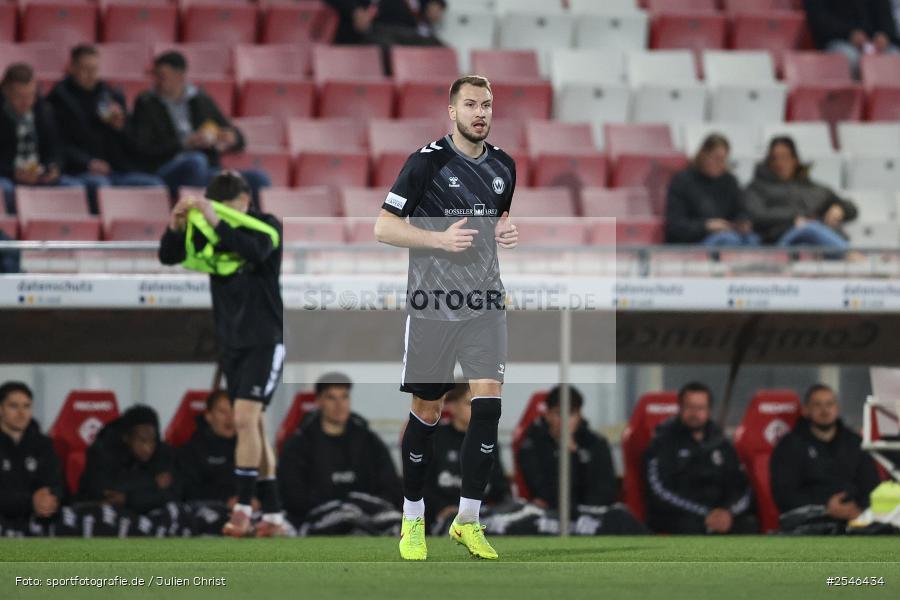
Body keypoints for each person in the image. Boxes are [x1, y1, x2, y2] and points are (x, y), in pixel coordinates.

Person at [374, 74, 518, 560]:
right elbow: (383, 227)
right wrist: (437, 239)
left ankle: (468, 519)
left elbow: (492, 218)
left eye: (488, 105)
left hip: (484, 305)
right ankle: (412, 519)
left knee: (489, 405)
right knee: (428, 412)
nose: (481, 112)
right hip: (433, 306)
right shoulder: (426, 163)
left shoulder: (504, 166)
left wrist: (504, 228)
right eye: (472, 104)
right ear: (452, 112)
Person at [159, 171, 285, 538]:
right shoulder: (208, 228)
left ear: (245, 204)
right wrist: (175, 226)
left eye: (230, 211)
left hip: (265, 338)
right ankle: (275, 514)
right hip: (231, 341)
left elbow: (253, 250)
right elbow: (170, 257)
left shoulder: (266, 225)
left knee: (244, 419)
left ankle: (244, 508)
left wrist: (214, 218)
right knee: (255, 425)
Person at [132, 51, 270, 199]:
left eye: (163, 76)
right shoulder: (146, 103)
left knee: (258, 178)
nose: (157, 81)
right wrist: (185, 143)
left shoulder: (201, 100)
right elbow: (143, 148)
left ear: (180, 75)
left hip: (207, 172)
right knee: (195, 161)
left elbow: (236, 136)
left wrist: (230, 138)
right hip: (168, 168)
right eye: (156, 76)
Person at [278, 373, 402, 535]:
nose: (339, 405)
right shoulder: (299, 444)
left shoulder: (368, 440)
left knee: (397, 522)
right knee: (343, 518)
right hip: (317, 518)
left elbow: (390, 484)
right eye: (331, 398)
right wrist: (338, 506)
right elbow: (292, 495)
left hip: (367, 514)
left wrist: (358, 504)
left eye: (344, 397)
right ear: (319, 401)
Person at [47, 45, 163, 212]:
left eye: (94, 69)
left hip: (116, 170)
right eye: (84, 69)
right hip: (78, 171)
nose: (90, 75)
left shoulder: (110, 95)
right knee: (100, 185)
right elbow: (56, 144)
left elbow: (134, 144)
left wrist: (121, 127)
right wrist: (87, 163)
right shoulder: (58, 100)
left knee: (154, 186)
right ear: (71, 68)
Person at [643, 382, 758, 535]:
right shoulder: (663, 441)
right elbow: (658, 491)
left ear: (709, 411)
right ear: (680, 408)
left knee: (748, 525)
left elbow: (742, 486)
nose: (694, 413)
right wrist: (705, 513)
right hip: (679, 516)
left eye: (700, 408)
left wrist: (727, 513)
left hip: (721, 514)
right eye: (689, 407)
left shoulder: (722, 442)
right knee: (689, 527)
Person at [770, 384, 881, 534]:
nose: (824, 410)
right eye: (817, 405)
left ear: (837, 408)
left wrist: (858, 508)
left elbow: (872, 485)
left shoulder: (855, 443)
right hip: (807, 523)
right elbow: (784, 494)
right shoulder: (790, 446)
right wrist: (826, 507)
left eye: (829, 404)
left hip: (856, 520)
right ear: (806, 410)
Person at [77, 405, 187, 536]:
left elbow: (172, 494)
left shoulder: (164, 453)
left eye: (152, 441)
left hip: (147, 515)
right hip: (104, 514)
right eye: (142, 441)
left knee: (177, 512)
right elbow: (106, 490)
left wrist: (129, 499)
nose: (148, 448)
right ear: (126, 438)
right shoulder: (103, 450)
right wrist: (152, 482)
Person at [422, 381, 510, 532]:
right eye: (470, 403)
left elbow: (500, 487)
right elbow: (423, 485)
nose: (477, 409)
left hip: (486, 514)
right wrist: (440, 508)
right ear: (452, 406)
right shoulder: (436, 438)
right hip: (444, 516)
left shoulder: (489, 439)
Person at [745, 136, 857, 250]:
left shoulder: (813, 188)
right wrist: (793, 219)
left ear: (795, 160)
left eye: (784, 157)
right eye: (774, 158)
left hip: (816, 246)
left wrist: (841, 209)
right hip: (777, 243)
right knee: (808, 229)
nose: (779, 163)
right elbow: (757, 216)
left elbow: (852, 209)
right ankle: (854, 257)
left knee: (812, 230)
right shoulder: (756, 188)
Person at [0, 63, 83, 214]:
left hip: (39, 174)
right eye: (19, 96)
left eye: (30, 95)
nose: (26, 102)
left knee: (74, 187)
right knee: (4, 189)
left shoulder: (44, 111)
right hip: (7, 176)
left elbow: (56, 147)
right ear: (6, 92)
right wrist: (13, 172)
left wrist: (53, 167)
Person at [665, 134, 758, 246]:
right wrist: (707, 225)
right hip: (695, 241)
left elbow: (741, 210)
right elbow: (676, 226)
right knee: (728, 240)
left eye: (723, 159)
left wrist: (742, 221)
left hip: (728, 234)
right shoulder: (683, 181)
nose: (720, 164)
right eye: (716, 158)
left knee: (752, 239)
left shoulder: (729, 181)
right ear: (703, 155)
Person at [0, 382, 64, 536]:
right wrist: (30, 502)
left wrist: (50, 499)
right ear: (0, 409)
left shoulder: (43, 444)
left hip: (38, 518)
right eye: (14, 406)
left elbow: (57, 483)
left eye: (27, 406)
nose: (22, 413)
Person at [177, 390, 239, 534]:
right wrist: (227, 501)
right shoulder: (193, 450)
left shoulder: (250, 447)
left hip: (246, 512)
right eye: (222, 412)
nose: (229, 418)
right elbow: (189, 491)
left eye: (233, 411)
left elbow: (265, 485)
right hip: (207, 512)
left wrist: (255, 500)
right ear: (209, 416)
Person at [804, 0, 899, 78]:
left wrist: (884, 34)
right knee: (851, 59)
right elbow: (819, 19)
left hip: (872, 41)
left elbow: (885, 14)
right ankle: (853, 99)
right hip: (837, 40)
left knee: (894, 56)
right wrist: (849, 33)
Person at [327, 0, 445, 49]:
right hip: (376, 30)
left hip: (411, 31)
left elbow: (433, 3)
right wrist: (354, 11)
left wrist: (435, 4)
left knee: (441, 50)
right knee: (388, 50)